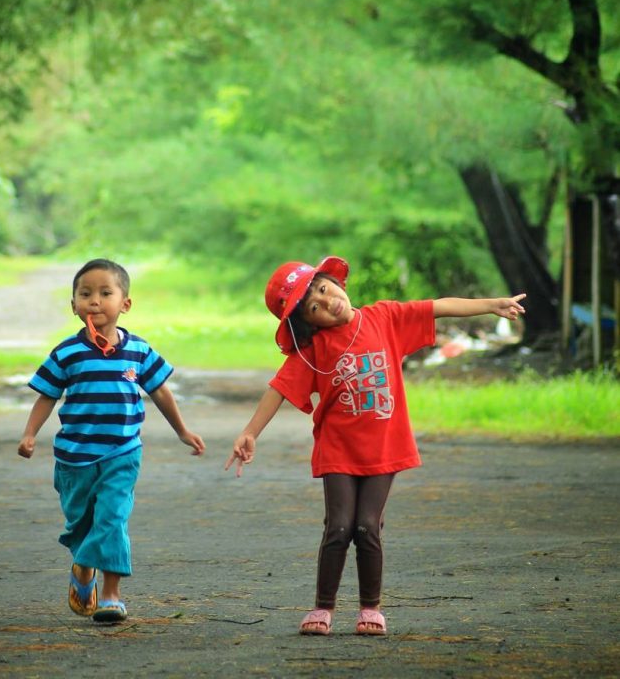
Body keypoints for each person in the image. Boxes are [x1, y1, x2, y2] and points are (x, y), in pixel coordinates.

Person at [225, 256, 526, 637]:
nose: (325, 300)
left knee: (367, 527)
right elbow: (279, 388)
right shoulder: (313, 350)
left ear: (334, 282)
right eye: (313, 308)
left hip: (384, 447)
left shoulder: (383, 318)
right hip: (337, 448)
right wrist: (250, 431)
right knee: (338, 527)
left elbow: (439, 306)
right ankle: (323, 608)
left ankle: (371, 608)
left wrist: (491, 304)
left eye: (322, 289)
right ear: (308, 324)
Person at [18, 258, 205, 624]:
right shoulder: (66, 353)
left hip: (122, 452)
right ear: (73, 305)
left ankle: (111, 595)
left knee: (113, 519)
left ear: (125, 304)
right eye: (85, 294)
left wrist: (182, 430)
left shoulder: (138, 351)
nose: (94, 301)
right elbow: (46, 396)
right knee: (81, 525)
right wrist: (29, 433)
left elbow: (162, 393)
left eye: (106, 293)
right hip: (74, 458)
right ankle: (83, 566)